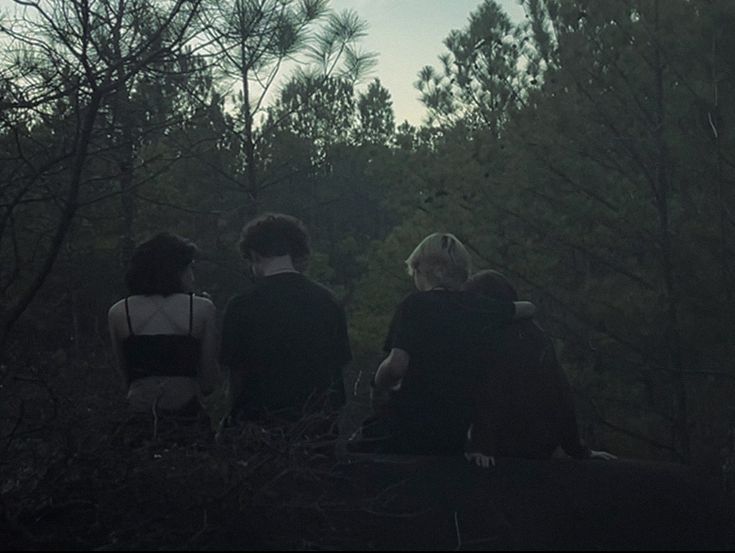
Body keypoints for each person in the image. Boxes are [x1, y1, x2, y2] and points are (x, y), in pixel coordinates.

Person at [354, 233, 535, 455]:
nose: (415, 278)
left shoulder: (415, 305)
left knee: (356, 448)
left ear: (435, 270)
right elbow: (528, 308)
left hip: (409, 426)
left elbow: (396, 367)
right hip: (453, 431)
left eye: (416, 271)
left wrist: (378, 383)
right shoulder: (480, 307)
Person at [462, 270, 615, 465]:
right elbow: (560, 393)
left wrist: (481, 446)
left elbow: (490, 392)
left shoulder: (490, 338)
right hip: (539, 445)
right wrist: (577, 448)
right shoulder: (537, 336)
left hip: (502, 446)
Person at [220, 213, 351, 422]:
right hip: (315, 423)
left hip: (257, 423)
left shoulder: (242, 305)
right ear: (296, 252)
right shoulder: (327, 301)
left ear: (254, 254)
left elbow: (236, 374)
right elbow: (339, 364)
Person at [108, 232, 218, 414]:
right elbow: (208, 382)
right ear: (176, 271)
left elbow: (125, 379)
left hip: (138, 418)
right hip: (188, 415)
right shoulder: (201, 308)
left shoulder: (119, 312)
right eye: (189, 268)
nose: (193, 277)